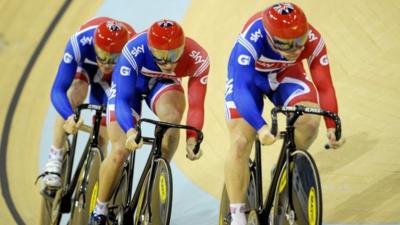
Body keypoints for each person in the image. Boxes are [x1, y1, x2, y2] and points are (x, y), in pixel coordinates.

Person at [223, 2, 346, 225]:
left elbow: (325, 86)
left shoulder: (313, 39)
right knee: (241, 141)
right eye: (286, 45)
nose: (296, 49)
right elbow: (241, 89)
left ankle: (283, 168)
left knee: (309, 121)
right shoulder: (253, 37)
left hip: (285, 75)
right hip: (248, 79)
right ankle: (237, 214)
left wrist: (331, 126)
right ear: (270, 36)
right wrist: (260, 127)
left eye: (299, 42)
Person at [88, 19, 210, 225]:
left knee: (172, 120)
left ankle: (158, 169)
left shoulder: (197, 57)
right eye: (162, 57)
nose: (169, 63)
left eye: (174, 55)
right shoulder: (133, 49)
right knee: (119, 151)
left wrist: (192, 138)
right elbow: (122, 100)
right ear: (150, 48)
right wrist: (129, 131)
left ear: (183, 46)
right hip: (131, 87)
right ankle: (99, 209)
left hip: (161, 84)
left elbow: (196, 105)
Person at [39, 17, 135, 191]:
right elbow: (58, 89)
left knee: (103, 135)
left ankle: (98, 180)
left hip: (115, 76)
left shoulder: (132, 49)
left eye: (113, 58)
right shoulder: (79, 42)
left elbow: (127, 95)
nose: (106, 63)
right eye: (103, 56)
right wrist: (69, 116)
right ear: (95, 45)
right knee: (76, 91)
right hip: (86, 66)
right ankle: (55, 155)